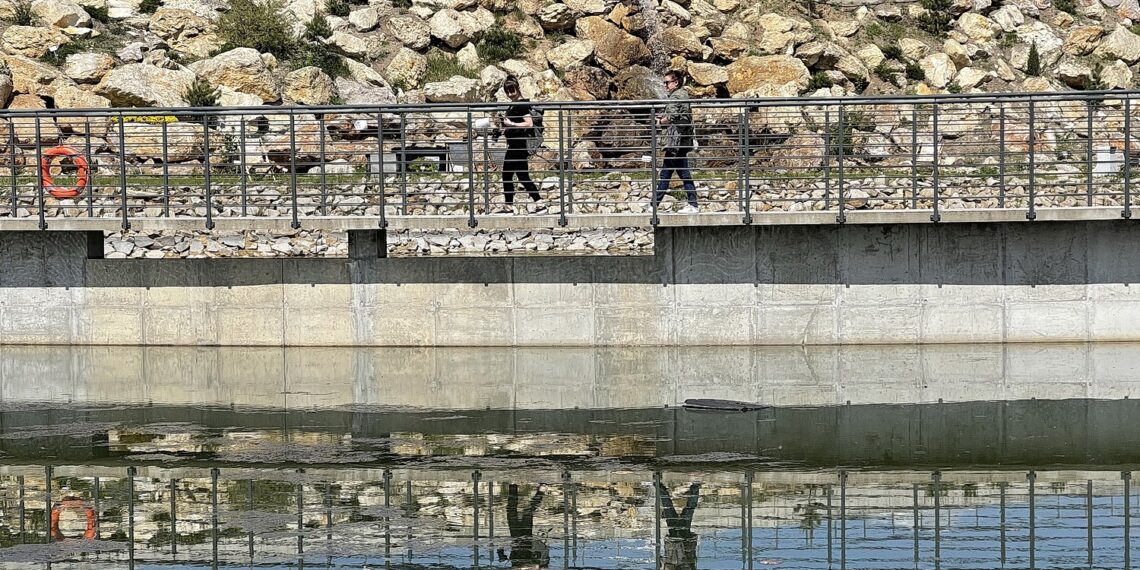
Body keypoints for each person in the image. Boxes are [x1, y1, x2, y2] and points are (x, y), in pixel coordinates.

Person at [497, 76, 545, 215]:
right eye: (508, 91)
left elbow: (528, 123)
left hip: (518, 145)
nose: (511, 93)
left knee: (507, 174)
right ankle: (539, 202)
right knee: (522, 176)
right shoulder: (514, 105)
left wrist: (511, 124)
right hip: (516, 144)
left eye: (512, 90)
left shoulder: (521, 104)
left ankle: (509, 206)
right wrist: (504, 129)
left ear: (518, 88)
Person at [653, 70, 698, 214]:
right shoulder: (682, 94)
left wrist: (660, 122)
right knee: (668, 173)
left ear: (676, 82)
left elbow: (672, 117)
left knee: (678, 173)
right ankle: (653, 204)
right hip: (680, 142)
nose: (665, 85)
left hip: (675, 143)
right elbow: (680, 116)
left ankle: (693, 205)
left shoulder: (677, 96)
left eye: (667, 82)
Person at [497, 483, 550, 568]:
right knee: (527, 512)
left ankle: (513, 486)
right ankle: (540, 492)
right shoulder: (533, 565)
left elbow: (503, 556)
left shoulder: (515, 565)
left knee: (512, 510)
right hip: (526, 538)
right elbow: (541, 564)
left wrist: (501, 552)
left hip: (516, 536)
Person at [656, 481, 701, 570]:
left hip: (678, 542)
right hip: (680, 542)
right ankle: (659, 486)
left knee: (673, 509)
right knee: (670, 509)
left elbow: (665, 564)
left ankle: (659, 487)